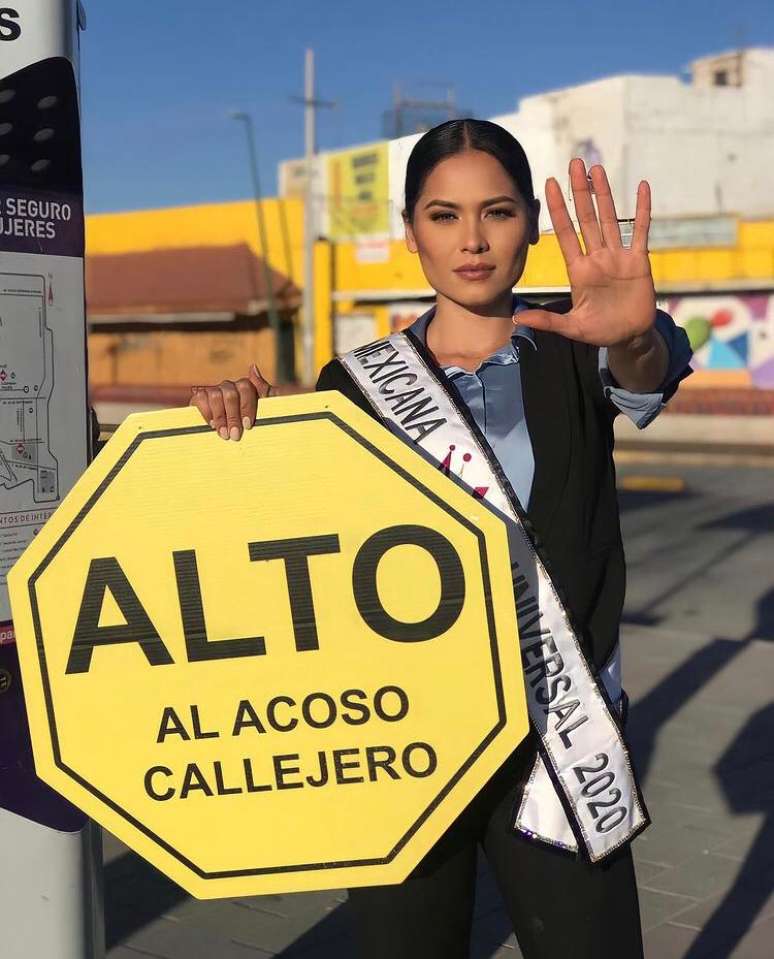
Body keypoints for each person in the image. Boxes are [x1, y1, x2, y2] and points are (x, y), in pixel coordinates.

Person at [190, 119, 692, 959]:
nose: (472, 239)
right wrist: (235, 438)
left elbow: (645, 369)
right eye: (443, 214)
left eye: (496, 212)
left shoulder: (582, 343)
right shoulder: (352, 385)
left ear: (531, 222)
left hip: (555, 737)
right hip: (401, 736)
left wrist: (637, 336)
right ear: (409, 229)